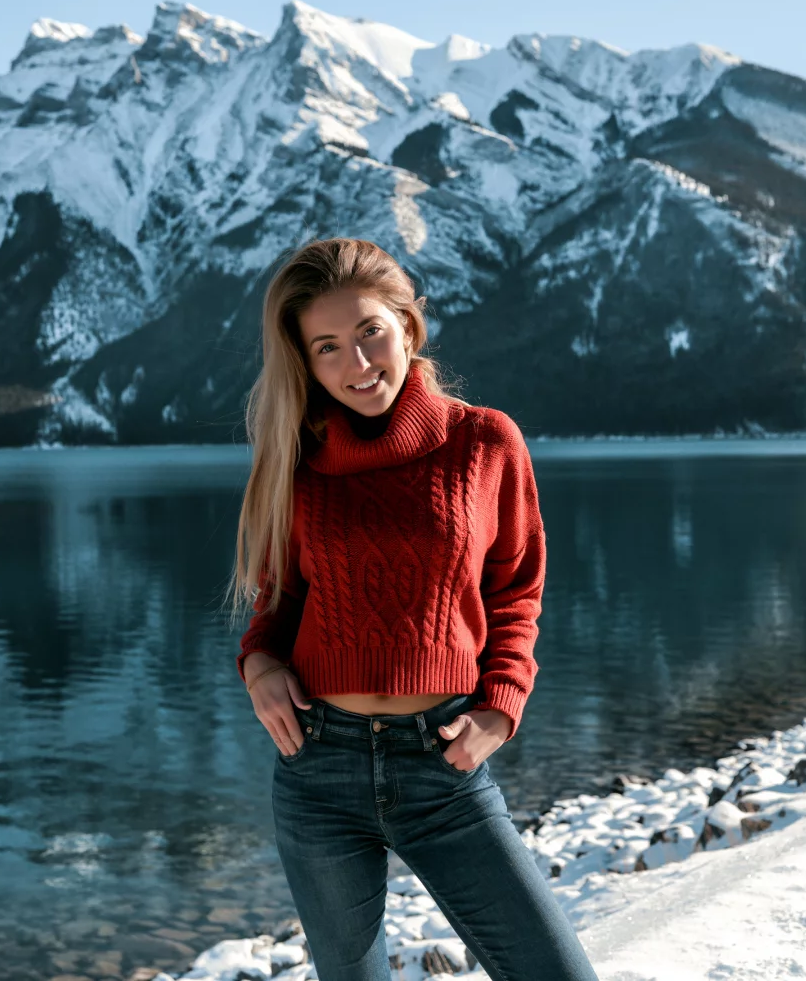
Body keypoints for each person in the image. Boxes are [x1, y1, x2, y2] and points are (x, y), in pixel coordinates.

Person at [228, 238, 599, 980]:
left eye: (370, 332)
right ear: (305, 361)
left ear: (408, 322)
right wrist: (260, 663)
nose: (357, 365)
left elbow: (516, 589)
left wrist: (502, 704)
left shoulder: (485, 441)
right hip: (316, 764)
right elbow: (278, 604)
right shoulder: (296, 462)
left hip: (443, 763)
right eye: (327, 348)